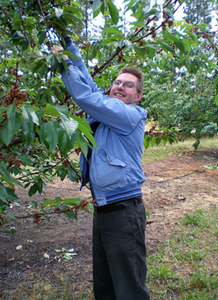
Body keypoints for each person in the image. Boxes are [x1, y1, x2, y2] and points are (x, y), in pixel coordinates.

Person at [51, 36, 150, 300]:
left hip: (124, 212)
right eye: (117, 82)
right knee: (104, 287)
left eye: (128, 86)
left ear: (138, 96)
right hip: (104, 210)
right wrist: (70, 50)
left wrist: (63, 62)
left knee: (129, 289)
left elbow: (86, 96)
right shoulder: (107, 114)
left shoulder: (129, 115)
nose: (120, 87)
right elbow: (92, 88)